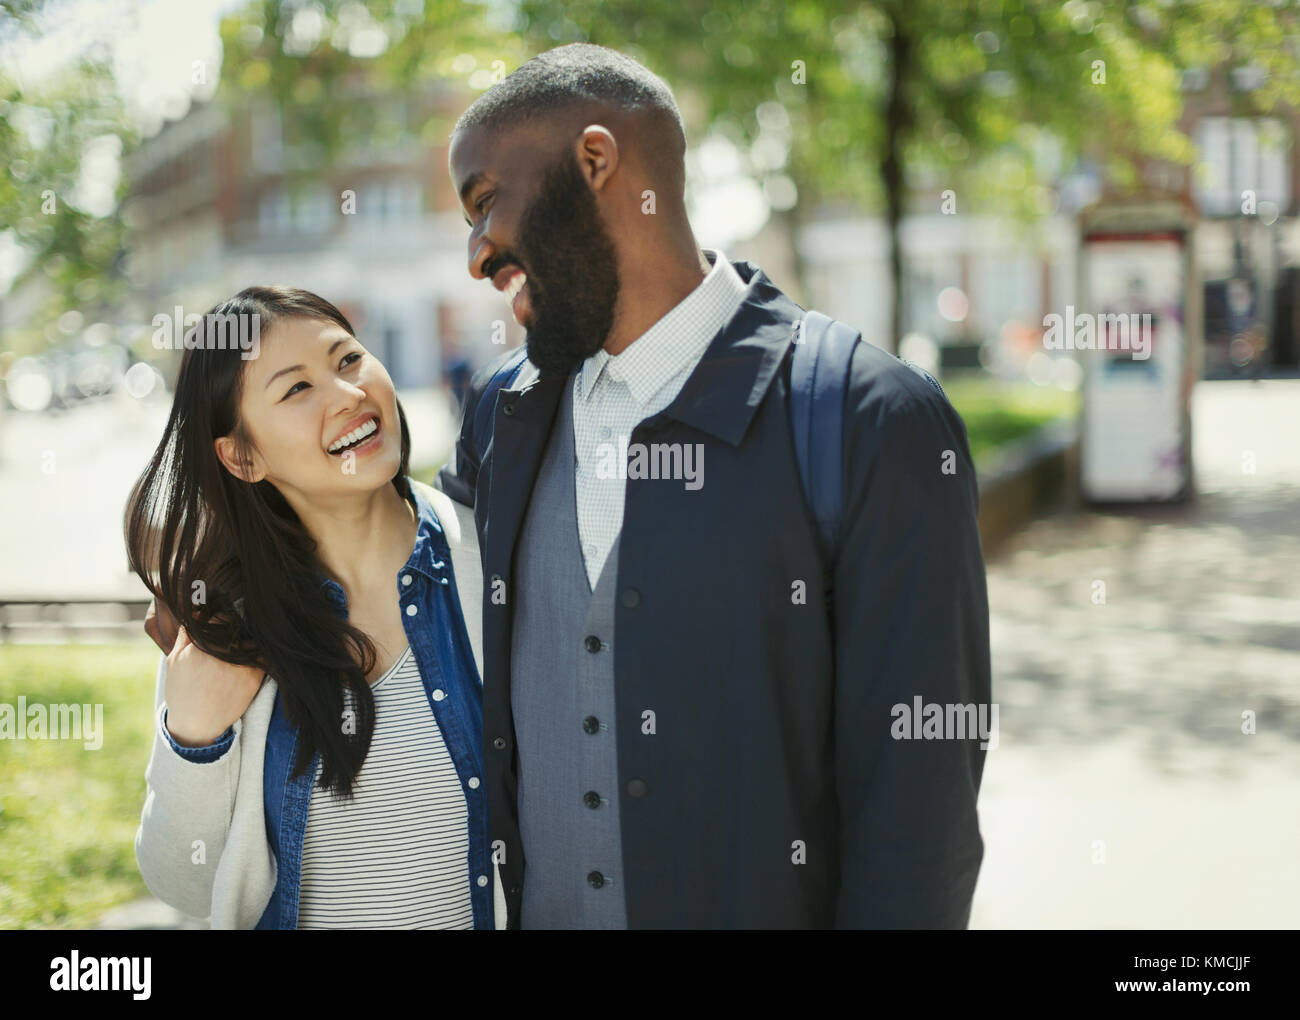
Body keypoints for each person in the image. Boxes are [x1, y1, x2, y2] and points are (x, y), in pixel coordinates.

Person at [437, 43, 993, 929]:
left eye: (484, 203)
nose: (476, 255)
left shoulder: (869, 416)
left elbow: (918, 826)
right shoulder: (504, 415)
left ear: (594, 162)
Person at [127, 286, 499, 929]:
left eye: (348, 359)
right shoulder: (227, 628)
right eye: (297, 389)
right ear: (241, 455)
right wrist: (194, 738)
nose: (350, 395)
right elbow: (184, 883)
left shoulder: (493, 562)